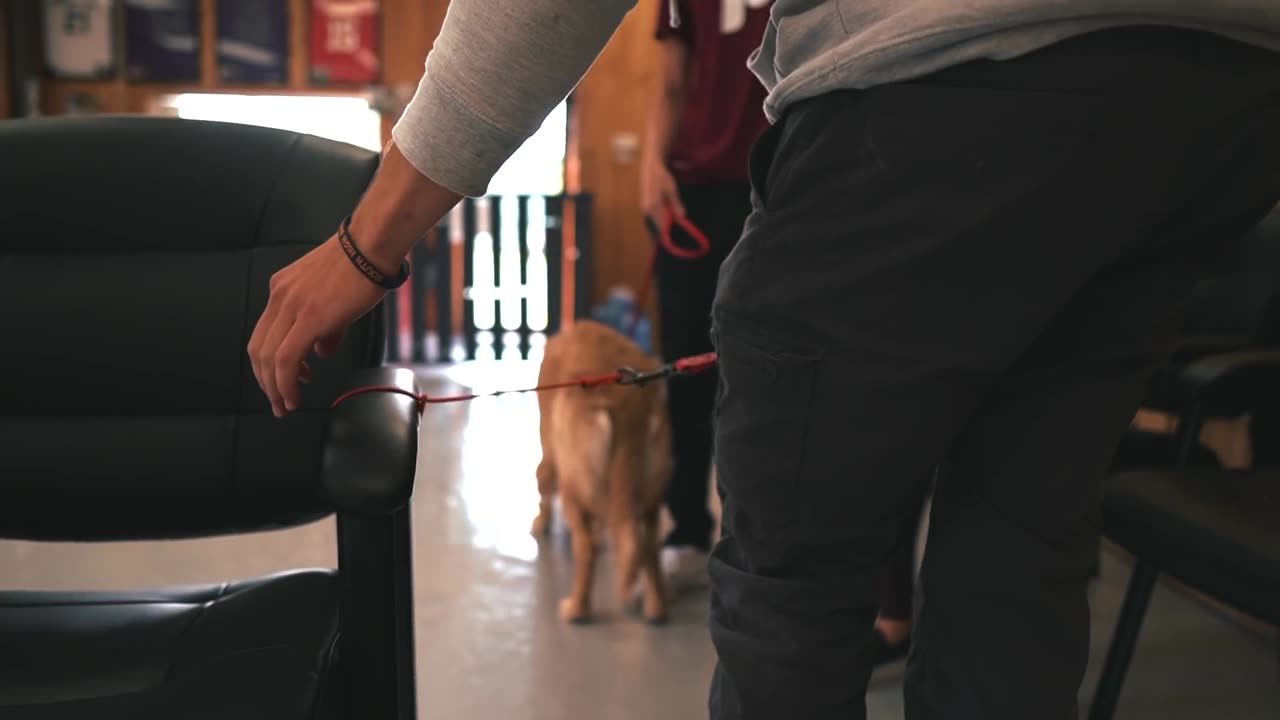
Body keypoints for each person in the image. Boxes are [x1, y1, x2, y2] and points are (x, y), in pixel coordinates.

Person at [248, 2, 1280, 718]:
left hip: (949, 86)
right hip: (1212, 102)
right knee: (1018, 554)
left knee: (795, 580)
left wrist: (366, 242)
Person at [637, 0, 771, 597]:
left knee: (769, 372)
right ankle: (688, 529)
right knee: (686, 370)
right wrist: (649, 163)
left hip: (783, 180)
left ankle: (757, 538)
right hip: (693, 184)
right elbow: (672, 76)